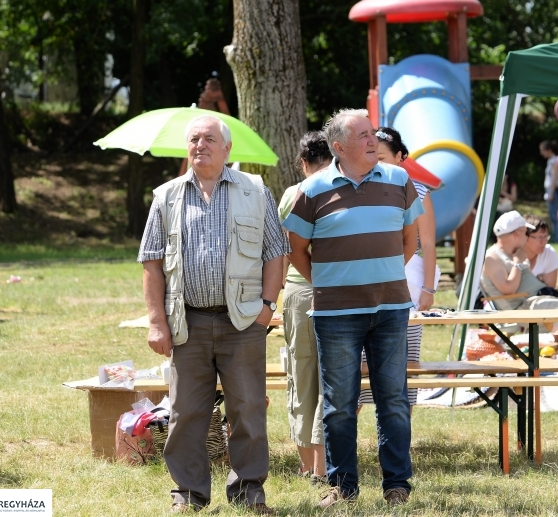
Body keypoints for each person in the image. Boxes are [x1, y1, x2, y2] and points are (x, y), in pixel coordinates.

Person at [139, 114, 288, 515]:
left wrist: (267, 307)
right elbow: (151, 264)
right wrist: (157, 323)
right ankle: (187, 495)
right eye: (193, 139)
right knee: (187, 411)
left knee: (248, 407)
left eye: (208, 139)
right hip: (187, 322)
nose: (200, 145)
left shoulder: (255, 191)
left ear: (227, 149)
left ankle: (249, 492)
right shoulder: (167, 196)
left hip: (243, 322)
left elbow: (277, 252)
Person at [283, 109, 423, 509]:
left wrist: (387, 274)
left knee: (393, 400)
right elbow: (295, 248)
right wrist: (327, 284)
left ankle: (397, 485)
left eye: (373, 134)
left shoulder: (398, 179)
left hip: (392, 309)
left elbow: (409, 239)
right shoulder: (312, 189)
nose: (373, 141)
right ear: (339, 147)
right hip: (336, 314)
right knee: (340, 405)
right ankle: (343, 488)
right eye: (363, 135)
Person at [355, 126, 440, 412]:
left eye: (381, 157)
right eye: (369, 155)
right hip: (364, 283)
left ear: (401, 156)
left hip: (407, 283)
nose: (374, 162)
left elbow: (428, 243)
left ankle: (400, 434)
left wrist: (428, 288)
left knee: (405, 358)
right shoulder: (357, 186)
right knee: (358, 359)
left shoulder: (417, 190)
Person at [278, 132, 331, 486]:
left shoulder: (291, 194)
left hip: (299, 291)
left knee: (301, 377)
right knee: (333, 379)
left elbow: (285, 250)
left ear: (302, 162)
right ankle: (323, 466)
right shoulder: (342, 189)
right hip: (339, 291)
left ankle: (309, 466)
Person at [522, 215, 558, 289]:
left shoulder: (549, 252)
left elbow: (550, 290)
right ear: (525, 237)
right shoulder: (511, 255)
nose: (544, 242)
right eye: (540, 237)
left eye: (546, 237)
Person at [540, 140, 558, 243]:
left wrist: (551, 192)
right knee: (553, 214)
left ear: (549, 150)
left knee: (555, 214)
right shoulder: (551, 160)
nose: (542, 153)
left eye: (543, 150)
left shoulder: (554, 160)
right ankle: (556, 236)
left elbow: (555, 177)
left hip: (552, 189)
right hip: (551, 189)